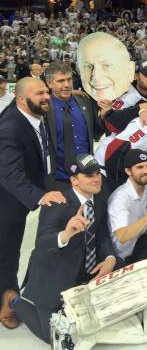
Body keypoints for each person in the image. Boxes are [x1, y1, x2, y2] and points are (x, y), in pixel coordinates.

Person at [9, 154, 116, 343]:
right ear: (74, 181)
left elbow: (102, 236)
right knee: (55, 337)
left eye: (98, 173)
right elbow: (42, 243)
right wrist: (66, 234)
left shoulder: (99, 201)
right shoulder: (57, 203)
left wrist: (110, 259)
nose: (96, 178)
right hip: (52, 276)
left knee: (98, 324)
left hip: (82, 274)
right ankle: (14, 301)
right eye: (89, 175)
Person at [0, 77, 66, 330]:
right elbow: (9, 174)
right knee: (6, 253)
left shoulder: (36, 115)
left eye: (46, 92)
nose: (46, 96)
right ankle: (6, 301)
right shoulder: (10, 128)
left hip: (28, 192)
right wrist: (39, 195)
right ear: (20, 99)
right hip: (6, 202)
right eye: (39, 93)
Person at [44, 62, 105, 190]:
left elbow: (97, 132)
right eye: (60, 81)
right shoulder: (43, 108)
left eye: (69, 79)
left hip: (86, 175)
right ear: (49, 83)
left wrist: (104, 116)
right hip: (58, 179)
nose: (66, 85)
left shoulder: (84, 101)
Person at [107, 149, 147, 264]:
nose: (146, 170)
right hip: (116, 256)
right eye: (140, 167)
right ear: (128, 171)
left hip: (136, 246)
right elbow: (122, 236)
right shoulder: (120, 197)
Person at [76, 32, 135, 101]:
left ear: (130, 71)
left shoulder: (145, 108)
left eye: (107, 66)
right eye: (88, 67)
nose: (96, 77)